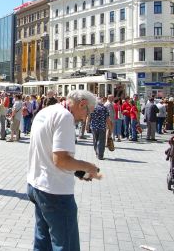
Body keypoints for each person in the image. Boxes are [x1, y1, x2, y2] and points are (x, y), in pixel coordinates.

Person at [27, 90, 101, 251]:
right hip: (55, 192)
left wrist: (78, 171)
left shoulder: (46, 111)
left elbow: (47, 153)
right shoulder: (65, 117)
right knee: (66, 244)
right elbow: (61, 160)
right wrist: (88, 167)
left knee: (42, 241)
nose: (84, 118)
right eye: (87, 112)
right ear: (82, 103)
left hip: (36, 185)